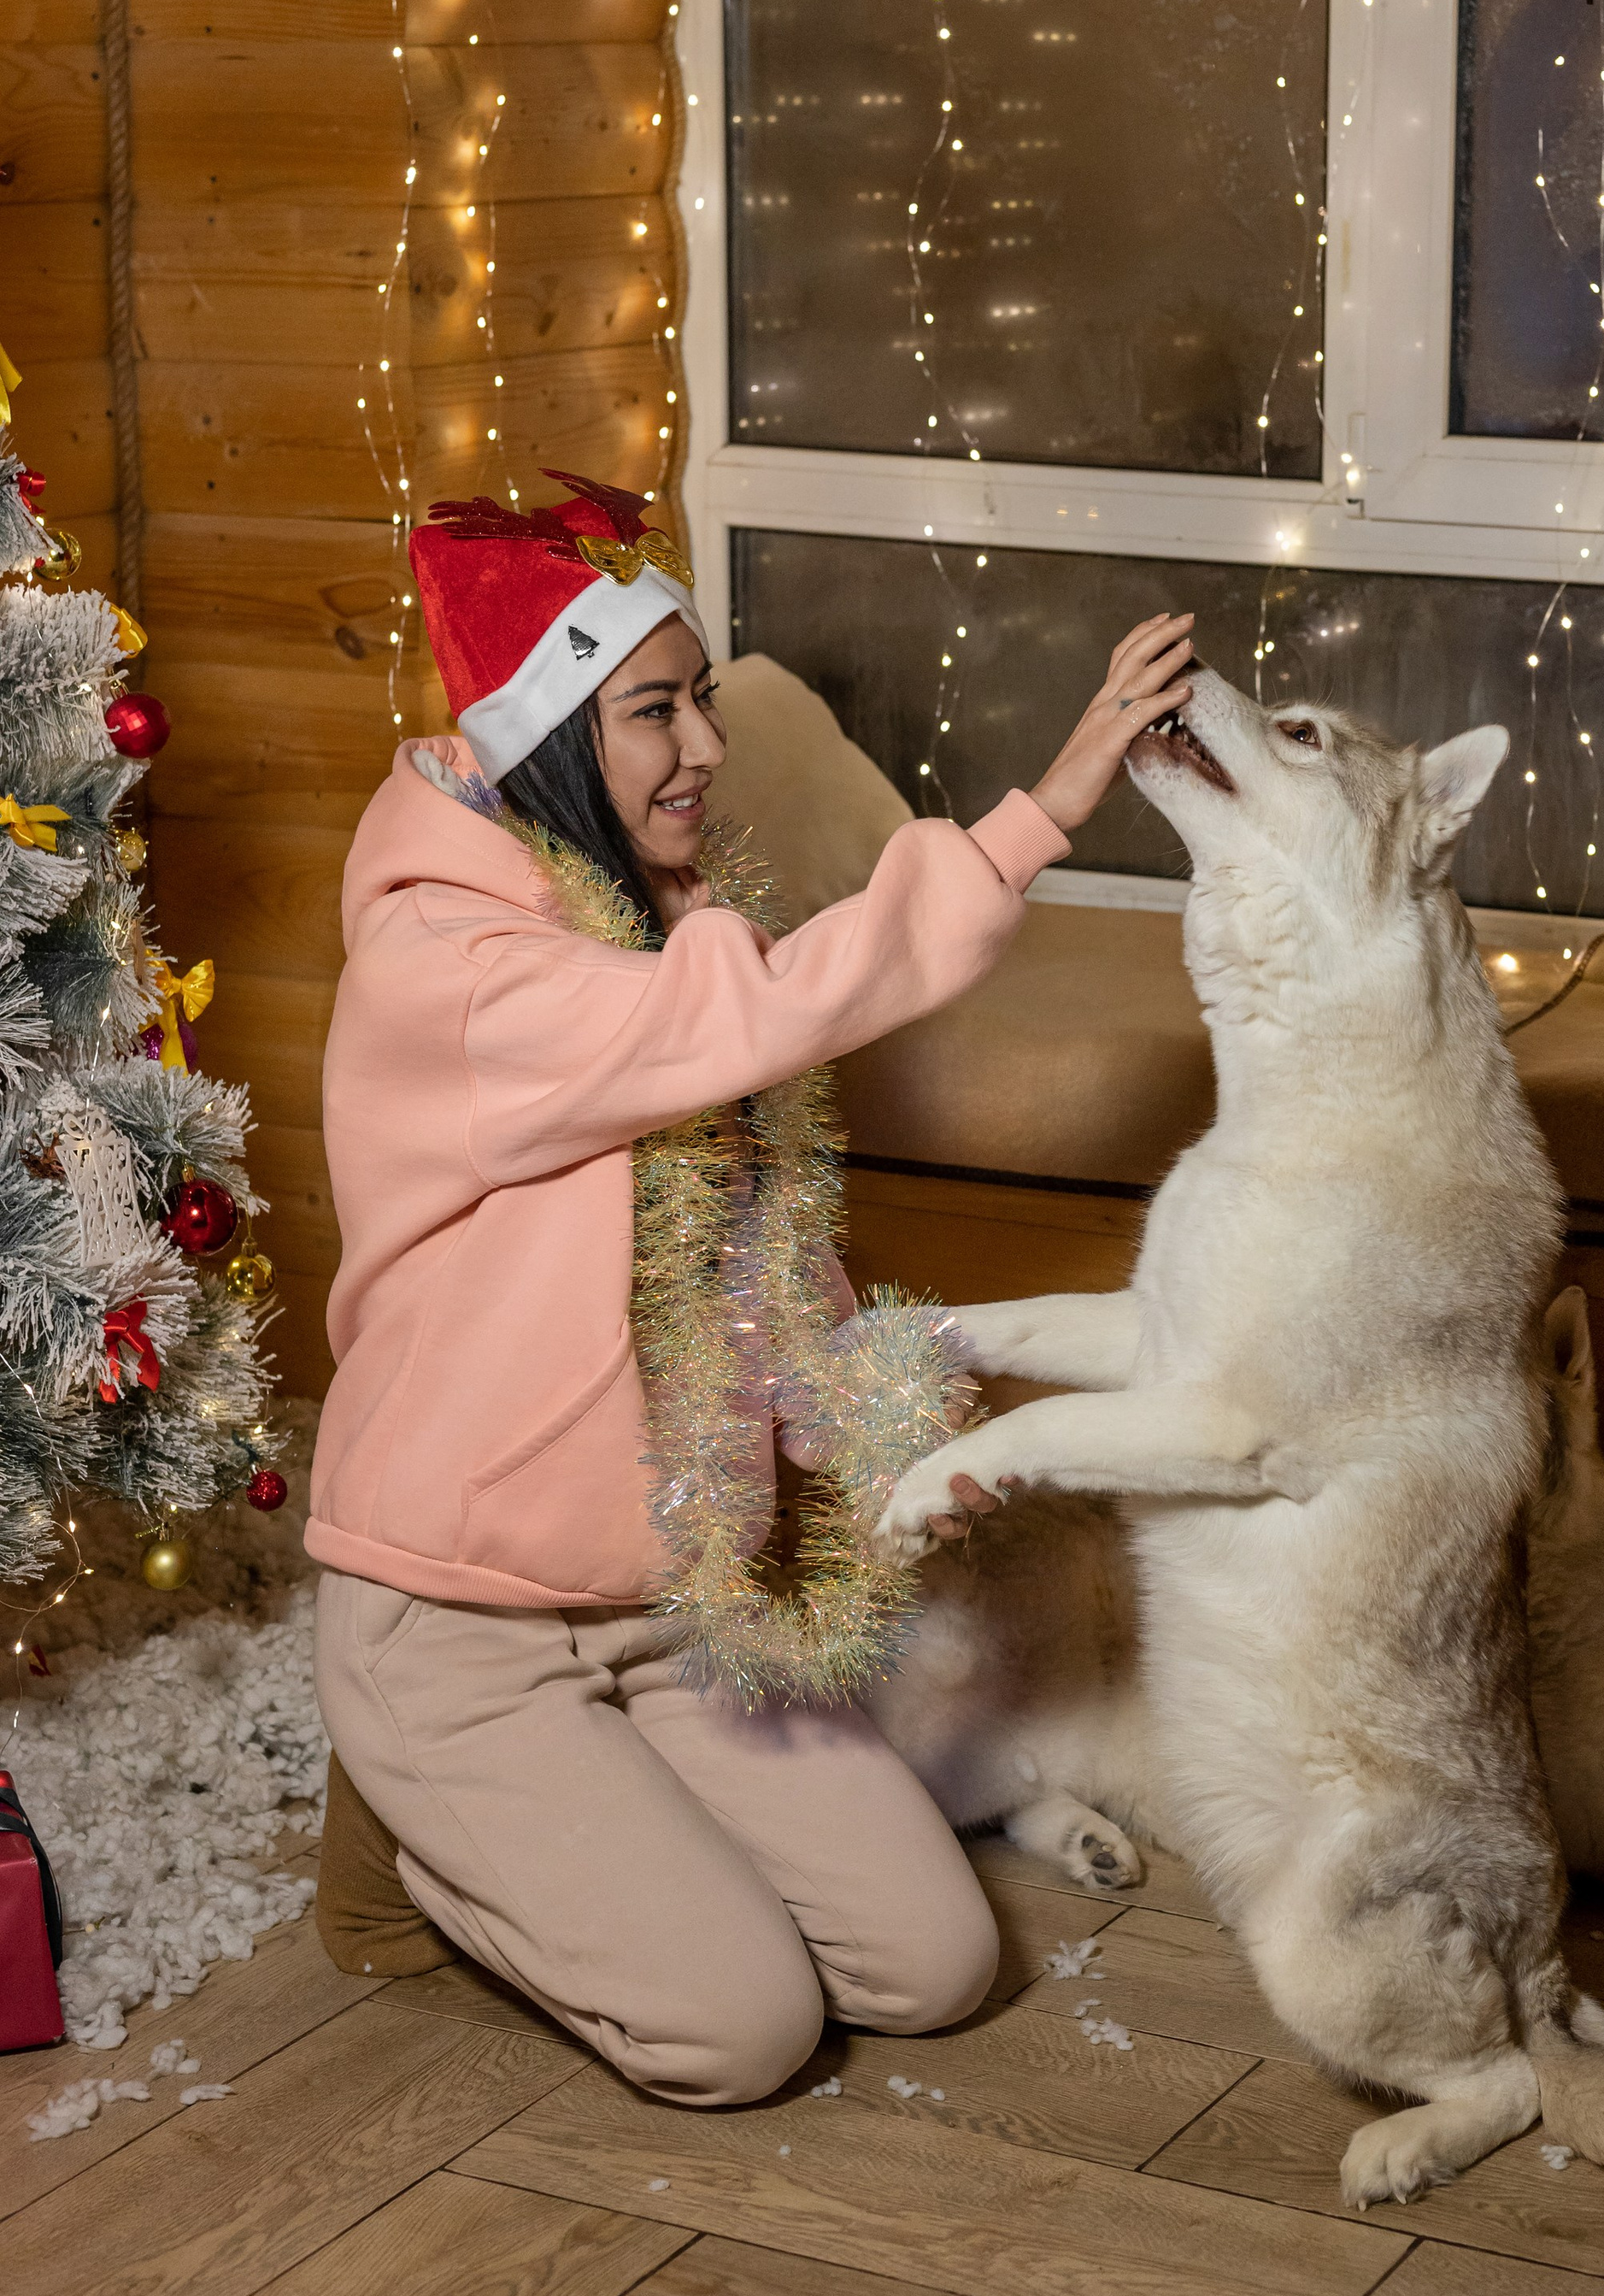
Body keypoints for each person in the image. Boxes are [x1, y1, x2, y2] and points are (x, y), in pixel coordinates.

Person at [306, 466, 1192, 2102]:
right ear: (553, 738)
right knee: (741, 2033)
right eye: (655, 712)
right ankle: (415, 1857)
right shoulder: (462, 972)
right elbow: (763, 1009)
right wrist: (1042, 811)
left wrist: (875, 1445)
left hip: (669, 1604)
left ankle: (594, 1831)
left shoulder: (658, 922)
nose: (704, 747)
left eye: (703, 700)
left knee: (931, 1971)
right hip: (459, 1620)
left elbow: (754, 1262)